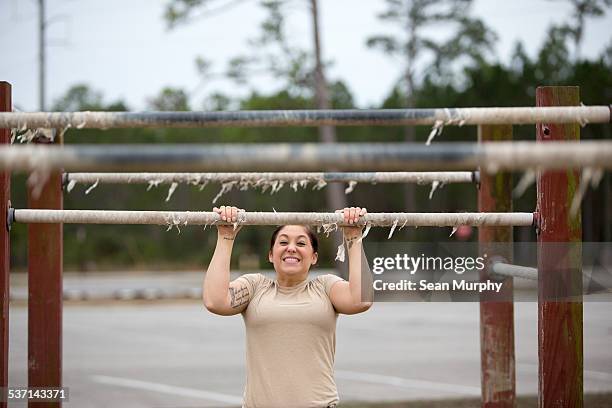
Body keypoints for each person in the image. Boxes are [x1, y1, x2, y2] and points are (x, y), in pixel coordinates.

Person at [204, 205, 373, 408]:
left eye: (301, 243)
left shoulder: (326, 287)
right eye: (283, 242)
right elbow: (215, 301)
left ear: (313, 257)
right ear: (271, 255)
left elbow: (361, 299)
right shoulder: (255, 286)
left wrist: (354, 237)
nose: (291, 247)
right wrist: (225, 236)